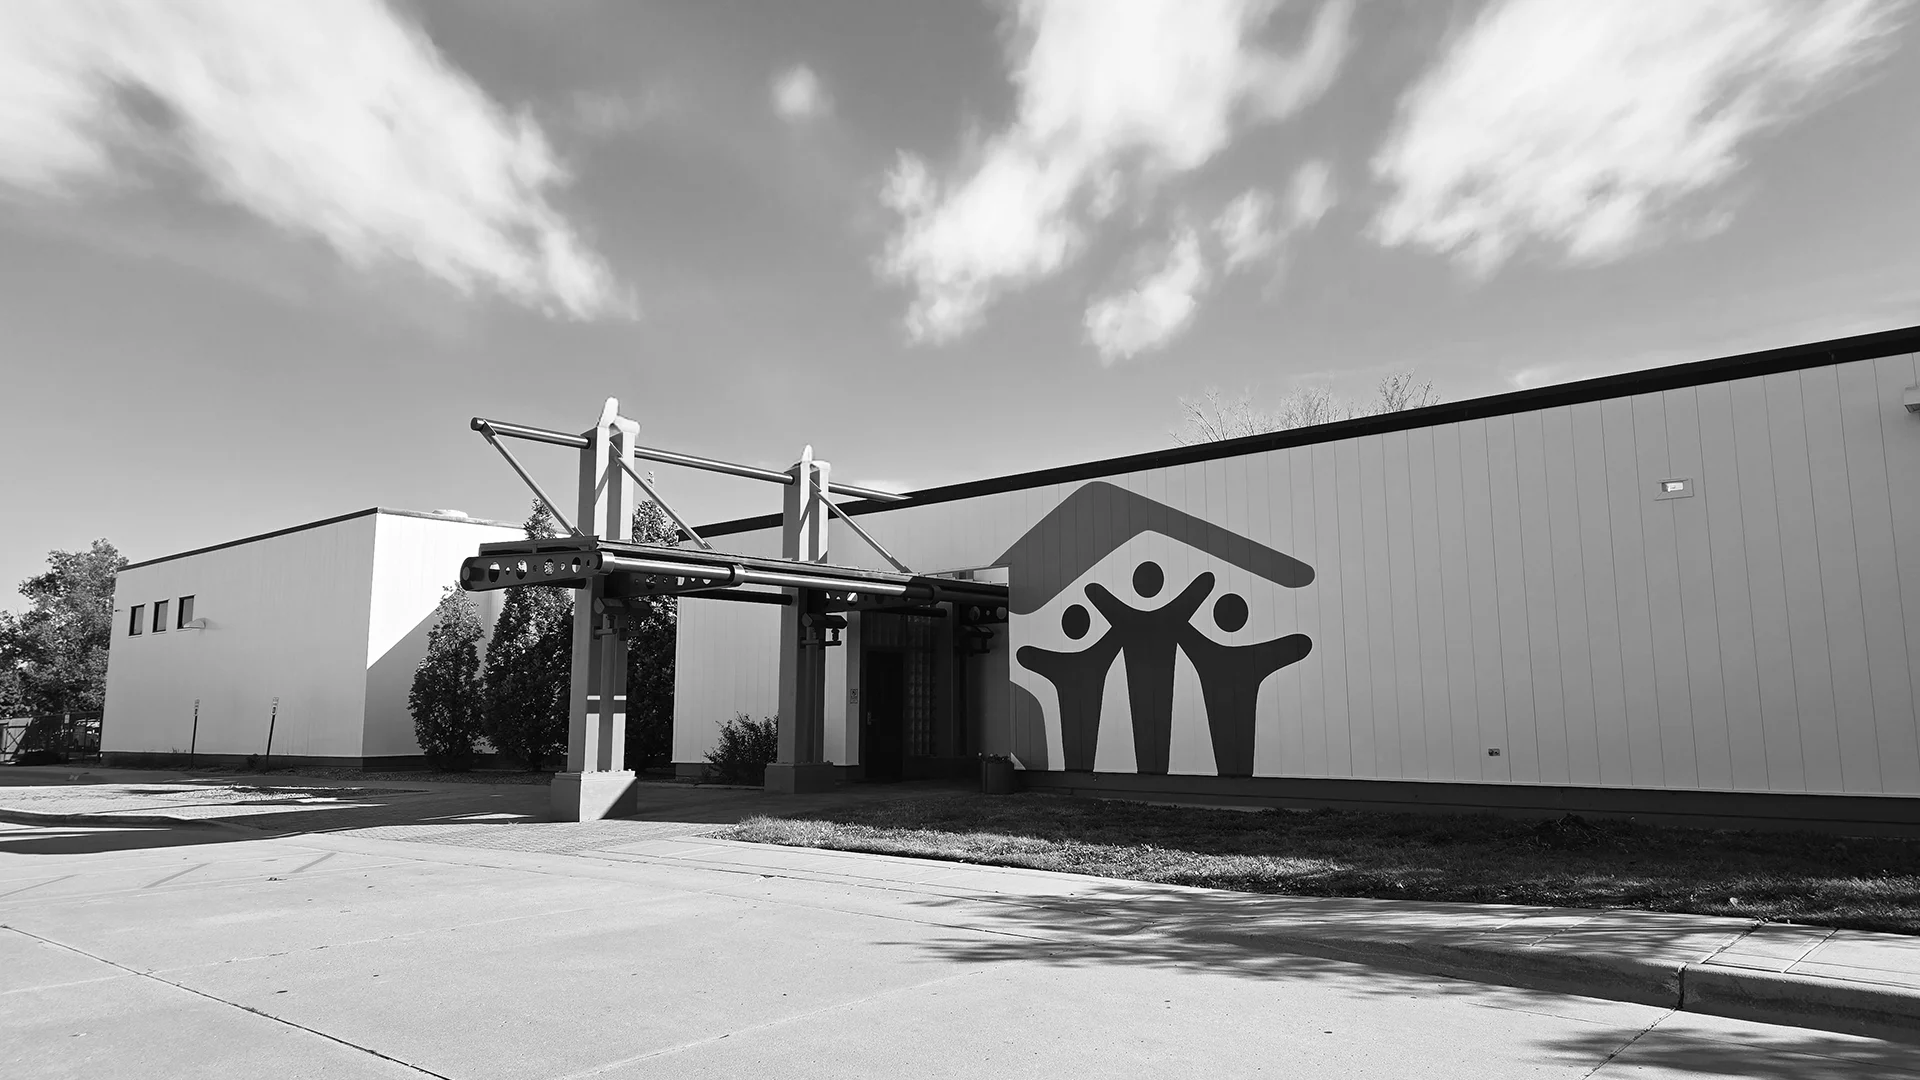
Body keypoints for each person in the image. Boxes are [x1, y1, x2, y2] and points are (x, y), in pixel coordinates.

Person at [1084, 561, 1215, 775]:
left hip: (1141, 683)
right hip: (1161, 682)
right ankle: (1157, 769)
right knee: (1157, 722)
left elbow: (1099, 597)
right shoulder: (1174, 617)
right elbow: (1194, 595)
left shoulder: (1125, 619)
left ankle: (1149, 770)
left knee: (1146, 722)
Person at [1176, 591, 1312, 777]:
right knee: (1235, 731)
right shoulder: (1256, 656)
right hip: (1238, 668)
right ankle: (1239, 776)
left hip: (1219, 670)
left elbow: (1180, 626)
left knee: (1226, 729)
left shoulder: (1205, 651)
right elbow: (1301, 645)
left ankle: (1233, 776)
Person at [1014, 602, 1121, 771]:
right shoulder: (1099, 653)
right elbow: (1117, 631)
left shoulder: (1057, 662)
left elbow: (1024, 655)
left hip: (1069, 718)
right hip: (1091, 711)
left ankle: (1074, 770)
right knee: (1087, 739)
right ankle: (1084, 771)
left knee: (1071, 739)